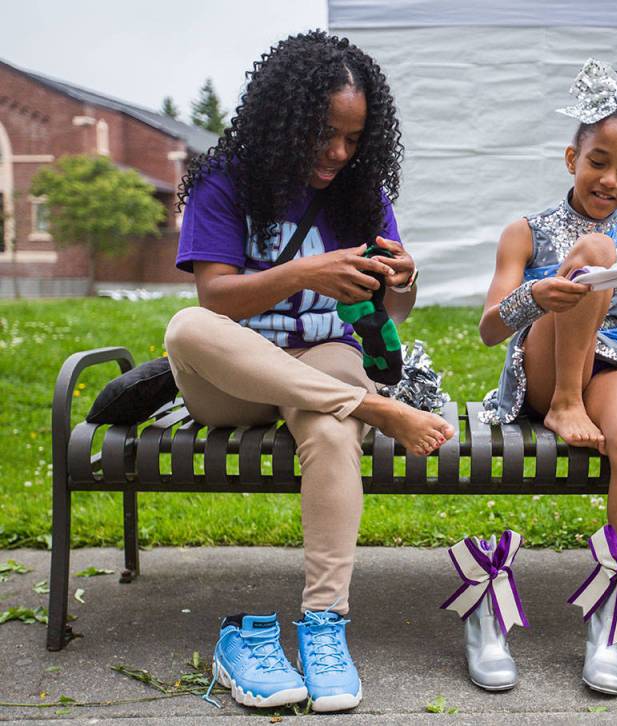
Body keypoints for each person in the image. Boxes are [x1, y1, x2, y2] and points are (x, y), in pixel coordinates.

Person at [164, 31, 454, 712]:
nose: (338, 153)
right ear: (285, 117)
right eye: (325, 133)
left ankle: (325, 625)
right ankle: (375, 409)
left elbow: (395, 310)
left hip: (323, 360)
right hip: (235, 376)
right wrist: (301, 272)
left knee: (327, 431)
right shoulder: (225, 179)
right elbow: (216, 297)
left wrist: (406, 280)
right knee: (185, 328)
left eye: (353, 139)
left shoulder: (360, 191)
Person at [441, 58, 617, 696]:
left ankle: (612, 620)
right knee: (598, 253)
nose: (610, 179)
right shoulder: (525, 230)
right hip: (542, 369)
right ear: (570, 156)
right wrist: (538, 297)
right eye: (598, 161)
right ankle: (566, 406)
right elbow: (491, 327)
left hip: (609, 365)